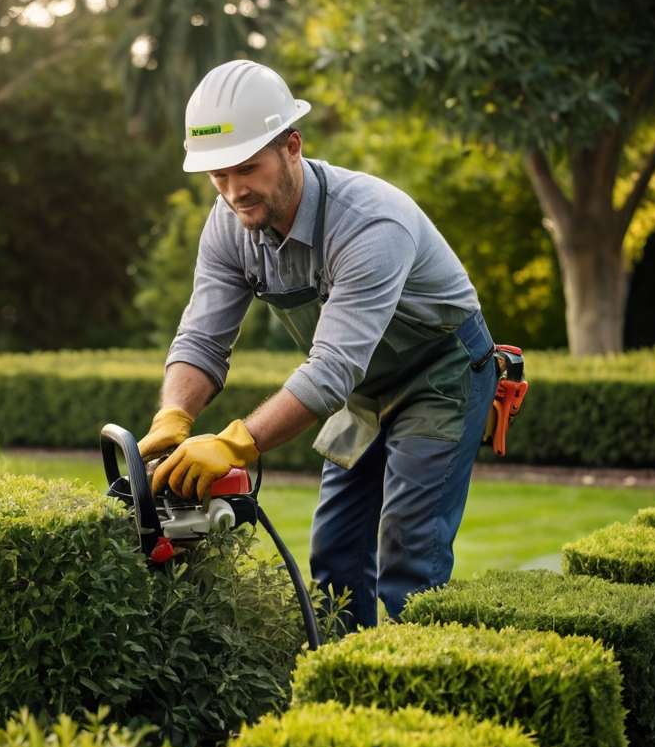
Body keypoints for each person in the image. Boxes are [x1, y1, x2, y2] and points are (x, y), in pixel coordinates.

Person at [138, 60, 497, 628]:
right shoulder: (230, 224)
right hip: (363, 389)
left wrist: (236, 444)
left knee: (409, 556)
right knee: (336, 555)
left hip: (441, 373)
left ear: (292, 146)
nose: (235, 192)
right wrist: (174, 415)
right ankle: (345, 692)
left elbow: (330, 370)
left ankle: (419, 701)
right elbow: (203, 337)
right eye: (218, 176)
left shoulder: (370, 224)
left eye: (247, 169)